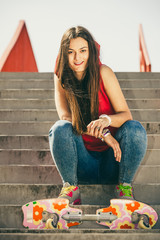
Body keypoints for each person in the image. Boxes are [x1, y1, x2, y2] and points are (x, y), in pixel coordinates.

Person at [49, 26, 147, 205]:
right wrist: (104, 133)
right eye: (71, 52)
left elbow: (126, 114)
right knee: (60, 128)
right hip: (82, 162)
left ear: (91, 51)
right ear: (64, 54)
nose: (77, 58)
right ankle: (70, 188)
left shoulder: (104, 72)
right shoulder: (61, 77)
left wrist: (106, 121)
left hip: (113, 161)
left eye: (82, 51)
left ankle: (124, 187)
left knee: (135, 129)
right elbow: (65, 117)